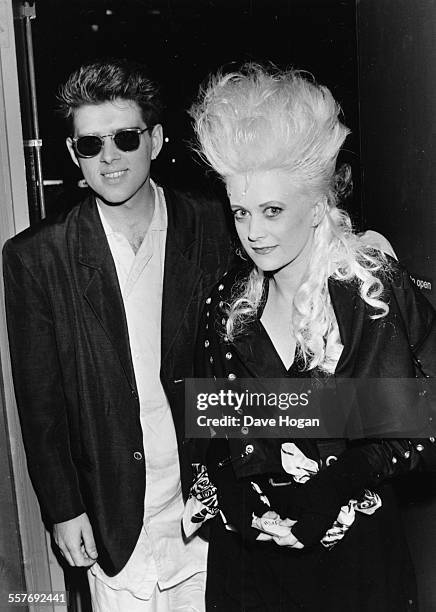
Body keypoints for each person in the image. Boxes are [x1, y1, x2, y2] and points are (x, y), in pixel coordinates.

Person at [184, 64, 436, 610]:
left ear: (318, 203)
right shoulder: (227, 298)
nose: (253, 232)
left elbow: (416, 424)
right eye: (241, 212)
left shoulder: (367, 288)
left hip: (351, 567)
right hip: (250, 565)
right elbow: (214, 425)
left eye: (272, 211)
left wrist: (328, 489)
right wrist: (237, 497)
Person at [2, 59, 232, 611]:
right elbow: (41, 404)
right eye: (91, 144)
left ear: (154, 141)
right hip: (111, 513)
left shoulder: (216, 226)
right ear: (72, 153)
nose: (108, 157)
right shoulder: (37, 257)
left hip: (204, 502)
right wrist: (63, 508)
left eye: (125, 139)